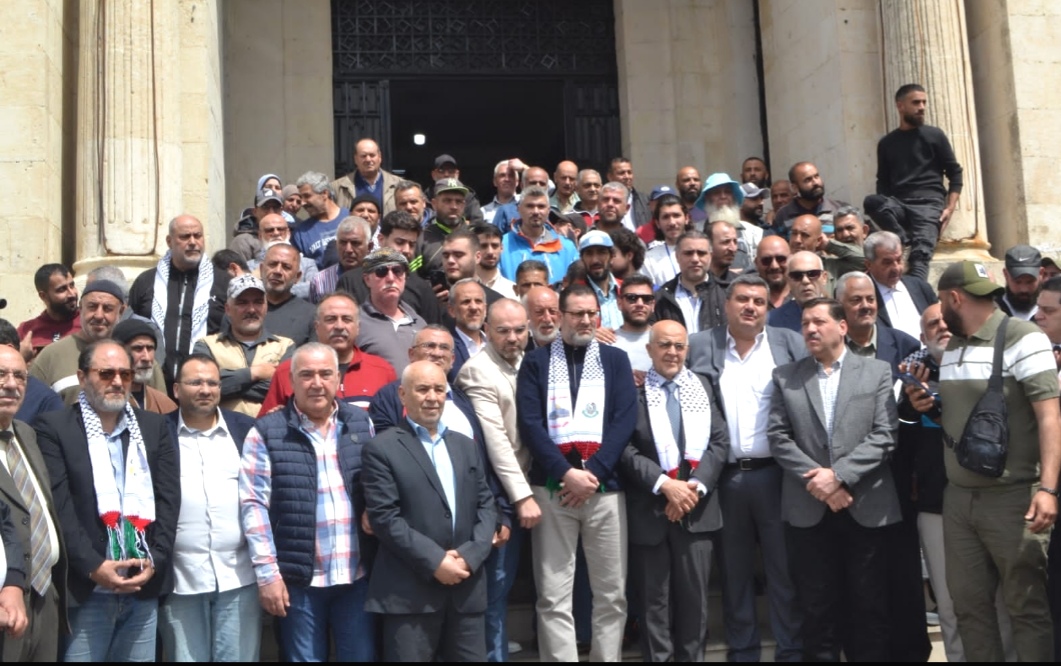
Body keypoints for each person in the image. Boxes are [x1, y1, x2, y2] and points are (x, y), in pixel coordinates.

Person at [906, 261, 1060, 661]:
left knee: (1025, 607)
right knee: (969, 608)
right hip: (958, 499)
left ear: (954, 298)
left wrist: (1048, 488)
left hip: (1014, 498)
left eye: (942, 302)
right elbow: (971, 422)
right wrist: (930, 407)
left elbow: (1050, 416)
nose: (941, 313)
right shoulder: (953, 348)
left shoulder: (1025, 337)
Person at [767, 297, 901, 661]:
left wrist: (839, 476)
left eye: (819, 322)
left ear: (842, 327)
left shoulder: (876, 371)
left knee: (869, 607)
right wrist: (823, 486)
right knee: (816, 609)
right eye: (805, 323)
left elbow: (885, 435)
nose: (810, 329)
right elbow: (778, 438)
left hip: (865, 505)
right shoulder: (786, 376)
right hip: (808, 508)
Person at [685, 274, 807, 662]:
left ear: (768, 308)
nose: (750, 307)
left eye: (758, 301)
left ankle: (790, 651)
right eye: (742, 299)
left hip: (777, 476)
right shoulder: (700, 345)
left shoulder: (789, 344)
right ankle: (743, 652)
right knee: (734, 572)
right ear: (726, 304)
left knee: (783, 570)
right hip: (725, 477)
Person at [36, 339, 180, 662]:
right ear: (82, 376)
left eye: (125, 374)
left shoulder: (154, 427)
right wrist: (94, 567)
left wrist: (154, 560)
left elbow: (169, 500)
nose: (117, 381)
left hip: (142, 587)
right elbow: (60, 509)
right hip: (87, 591)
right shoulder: (55, 428)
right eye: (106, 373)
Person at [517, 283, 638, 662]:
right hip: (552, 490)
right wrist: (565, 474)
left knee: (611, 594)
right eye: (577, 313)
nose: (585, 320)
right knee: (553, 595)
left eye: (591, 314)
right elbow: (530, 424)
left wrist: (593, 473)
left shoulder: (615, 360)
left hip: (605, 490)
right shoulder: (535, 363)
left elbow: (624, 420)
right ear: (560, 316)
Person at [239, 342, 378, 662]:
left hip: (356, 575)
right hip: (299, 580)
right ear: (291, 380)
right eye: (306, 375)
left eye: (325, 374)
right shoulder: (267, 432)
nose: (317, 383)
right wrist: (268, 575)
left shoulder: (360, 423)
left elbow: (374, 483)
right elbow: (253, 506)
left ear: (338, 378)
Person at [362, 360, 497, 661]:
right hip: (410, 594)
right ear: (403, 394)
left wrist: (470, 556)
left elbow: (487, 505)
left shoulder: (466, 445)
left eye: (439, 389)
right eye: (422, 389)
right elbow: (385, 518)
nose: (432, 397)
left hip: (466, 588)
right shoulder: (381, 448)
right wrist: (436, 561)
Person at [619, 320, 728, 662]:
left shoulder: (703, 386)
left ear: (687, 350)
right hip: (650, 511)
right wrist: (665, 485)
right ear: (649, 349)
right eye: (664, 345)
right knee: (654, 605)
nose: (672, 352)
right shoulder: (632, 391)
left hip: (696, 510)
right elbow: (624, 448)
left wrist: (692, 489)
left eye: (679, 346)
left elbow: (720, 442)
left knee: (695, 603)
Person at [160, 354, 260, 661]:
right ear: (176, 389)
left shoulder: (246, 430)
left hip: (239, 576)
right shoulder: (158, 433)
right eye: (196, 382)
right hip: (180, 579)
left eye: (212, 383)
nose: (205, 390)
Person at [455, 299, 540, 661]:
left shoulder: (530, 362)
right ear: (486, 330)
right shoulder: (477, 371)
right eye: (503, 331)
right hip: (501, 496)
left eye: (519, 330)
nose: (512, 338)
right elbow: (497, 444)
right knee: (497, 586)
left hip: (539, 485)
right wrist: (521, 497)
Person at [0, 344, 66, 661]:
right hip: (5, 601)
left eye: (20, 376)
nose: (12, 384)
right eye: (1, 375)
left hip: (45, 594)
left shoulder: (27, 434)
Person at [864, 84, 964, 281]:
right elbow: (882, 181)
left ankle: (917, 291)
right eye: (916, 102)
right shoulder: (887, 143)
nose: (922, 107)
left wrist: (950, 208)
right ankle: (903, 240)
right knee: (871, 202)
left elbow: (955, 173)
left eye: (924, 102)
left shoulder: (935, 135)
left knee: (920, 258)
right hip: (899, 204)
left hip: (929, 206)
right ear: (900, 106)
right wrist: (888, 212)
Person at [128, 215, 227, 387]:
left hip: (204, 384)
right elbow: (129, 328)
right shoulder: (146, 282)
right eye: (185, 237)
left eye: (197, 236)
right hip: (154, 383)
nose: (193, 242)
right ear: (169, 241)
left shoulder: (222, 282)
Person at [258, 293, 395, 414]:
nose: (339, 326)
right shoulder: (289, 371)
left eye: (347, 319)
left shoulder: (382, 371)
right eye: (331, 319)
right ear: (317, 327)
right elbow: (267, 425)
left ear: (358, 327)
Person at [192, 275, 294, 417]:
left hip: (268, 428)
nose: (251, 309)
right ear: (228, 309)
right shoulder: (207, 345)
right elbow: (200, 388)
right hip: (221, 427)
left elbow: (285, 390)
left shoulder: (285, 346)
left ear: (266, 307)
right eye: (242, 303)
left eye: (258, 302)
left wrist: (226, 382)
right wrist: (255, 373)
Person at [336, 210, 443, 324]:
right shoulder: (351, 281)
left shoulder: (422, 289)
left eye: (412, 245)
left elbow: (432, 331)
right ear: (381, 240)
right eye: (400, 242)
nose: (406, 250)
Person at [30, 280, 127, 405]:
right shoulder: (51, 356)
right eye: (92, 307)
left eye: (107, 308)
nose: (98, 315)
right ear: (80, 307)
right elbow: (30, 406)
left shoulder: (135, 353)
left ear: (121, 311)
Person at [354, 248, 427, 376]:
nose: (391, 278)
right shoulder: (355, 322)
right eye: (381, 271)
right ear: (367, 279)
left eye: (397, 271)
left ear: (404, 278)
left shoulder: (420, 323)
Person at [864, 230, 938, 340]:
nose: (896, 268)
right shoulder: (863, 297)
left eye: (899, 260)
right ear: (869, 264)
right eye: (887, 262)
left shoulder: (920, 287)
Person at [499, 186, 579, 285]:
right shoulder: (502, 245)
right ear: (518, 209)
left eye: (541, 206)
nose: (536, 212)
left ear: (548, 210)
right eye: (530, 206)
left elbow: (576, 285)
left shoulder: (566, 247)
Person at [654, 231, 727, 334]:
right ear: (677, 257)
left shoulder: (728, 293)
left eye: (701, 253)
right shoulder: (661, 297)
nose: (695, 259)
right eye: (688, 253)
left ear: (710, 256)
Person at [246, 213, 320, 299]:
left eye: (281, 229)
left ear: (288, 233)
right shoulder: (249, 266)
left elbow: (313, 289)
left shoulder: (307, 264)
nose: (276, 233)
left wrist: (267, 288)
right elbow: (247, 292)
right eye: (269, 230)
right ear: (260, 235)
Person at [111, 319, 177, 414]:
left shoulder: (166, 406)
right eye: (138, 348)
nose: (146, 358)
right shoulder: (105, 402)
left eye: (150, 348)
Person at [17, 264, 80, 361]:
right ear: (43, 296)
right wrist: (20, 358)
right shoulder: (25, 331)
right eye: (62, 289)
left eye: (72, 285)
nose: (71, 294)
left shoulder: (89, 323)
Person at [258, 243, 318, 346]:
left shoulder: (311, 315)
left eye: (286, 267)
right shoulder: (242, 310)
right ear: (261, 269)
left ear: (297, 277)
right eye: (272, 264)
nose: (278, 271)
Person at [292, 171, 350, 270]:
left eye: (307, 196)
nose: (302, 203)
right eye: (301, 198)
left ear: (324, 193)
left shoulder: (351, 217)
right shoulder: (301, 233)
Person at [309, 216, 372, 304]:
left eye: (355, 243)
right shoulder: (319, 281)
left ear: (369, 247)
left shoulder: (379, 277)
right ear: (336, 244)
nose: (348, 250)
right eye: (343, 243)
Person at [331, 137, 402, 214]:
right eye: (363, 156)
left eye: (372, 155)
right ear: (355, 159)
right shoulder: (337, 188)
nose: (368, 159)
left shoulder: (399, 185)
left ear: (379, 157)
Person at [421, 177, 476, 276]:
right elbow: (412, 277)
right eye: (447, 201)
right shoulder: (422, 239)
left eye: (458, 201)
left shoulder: (476, 235)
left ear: (464, 205)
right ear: (434, 204)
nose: (454, 207)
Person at [772, 162, 849, 233]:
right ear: (795, 187)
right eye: (808, 180)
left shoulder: (839, 209)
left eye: (816, 176)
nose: (815, 182)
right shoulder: (783, 215)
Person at [768, 251, 830, 332]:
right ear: (789, 281)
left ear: (824, 278)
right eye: (797, 276)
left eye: (812, 274)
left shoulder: (841, 313)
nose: (805, 281)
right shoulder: (772, 320)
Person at [641, 194, 690, 287]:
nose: (672, 222)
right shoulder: (649, 259)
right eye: (665, 217)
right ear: (658, 223)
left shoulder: (703, 250)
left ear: (686, 218)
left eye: (676, 215)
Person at [610, 275, 655, 374]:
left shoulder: (665, 341)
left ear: (653, 305)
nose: (640, 304)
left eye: (646, 299)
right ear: (619, 303)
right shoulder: (607, 341)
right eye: (632, 298)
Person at [578, 230, 623, 330]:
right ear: (582, 259)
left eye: (601, 252)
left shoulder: (626, 289)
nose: (595, 260)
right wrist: (591, 333)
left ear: (612, 256)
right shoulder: (575, 294)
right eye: (589, 254)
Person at [997, 244, 1043, 320]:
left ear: (1041, 273)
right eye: (1017, 282)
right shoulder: (991, 311)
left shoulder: (1055, 311)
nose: (1023, 289)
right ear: (1006, 274)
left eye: (1030, 282)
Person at [606, 157, 650, 230]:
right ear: (610, 177)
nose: (627, 177)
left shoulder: (646, 201)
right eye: (621, 173)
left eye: (629, 172)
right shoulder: (604, 202)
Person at [474, 223, 517, 297]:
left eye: (495, 246)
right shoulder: (460, 288)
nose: (490, 252)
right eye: (483, 246)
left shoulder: (512, 291)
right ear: (473, 248)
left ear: (501, 248)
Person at [753, 235, 792, 310]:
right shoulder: (748, 299)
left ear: (791, 260)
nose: (774, 266)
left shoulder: (802, 295)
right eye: (766, 260)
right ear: (756, 263)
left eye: (781, 259)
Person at [482, 160, 521, 227]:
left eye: (511, 176)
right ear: (495, 181)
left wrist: (524, 168)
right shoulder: (484, 211)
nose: (507, 179)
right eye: (502, 175)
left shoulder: (526, 203)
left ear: (517, 182)